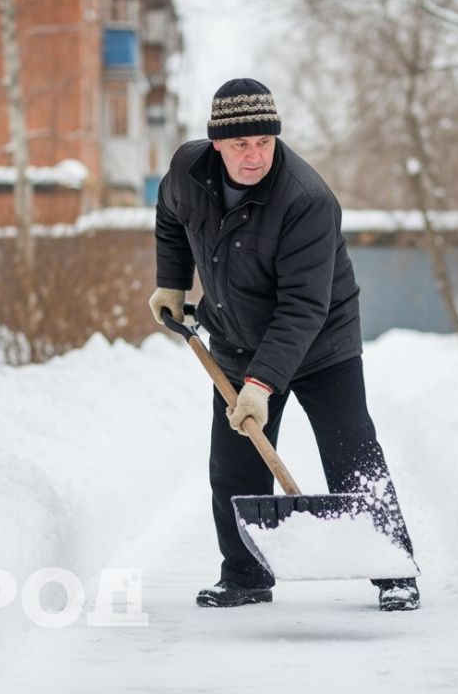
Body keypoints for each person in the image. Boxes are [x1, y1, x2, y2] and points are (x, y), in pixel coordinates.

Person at [148, 78, 420, 611]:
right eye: (240, 145)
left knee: (352, 454)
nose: (254, 157)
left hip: (321, 344)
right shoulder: (186, 172)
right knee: (233, 464)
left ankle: (394, 571)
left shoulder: (306, 200)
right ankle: (246, 577)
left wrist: (261, 384)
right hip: (233, 336)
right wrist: (173, 281)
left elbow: (303, 308)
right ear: (216, 144)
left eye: (264, 143)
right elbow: (169, 217)